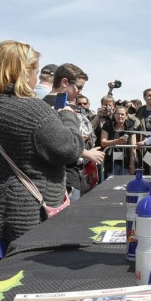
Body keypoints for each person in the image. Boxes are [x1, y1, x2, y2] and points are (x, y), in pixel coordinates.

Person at [0, 41, 83, 269]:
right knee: (25, 281)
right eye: (36, 71)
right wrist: (66, 117)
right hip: (22, 215)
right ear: (26, 72)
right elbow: (69, 149)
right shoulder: (32, 109)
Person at [43, 63, 104, 199]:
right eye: (79, 87)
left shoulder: (42, 104)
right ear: (65, 82)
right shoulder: (61, 108)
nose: (80, 92)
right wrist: (87, 153)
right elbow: (61, 143)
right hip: (64, 178)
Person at [100, 104, 136, 177]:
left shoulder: (130, 127)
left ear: (126, 116)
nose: (120, 116)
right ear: (114, 115)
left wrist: (132, 165)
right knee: (112, 185)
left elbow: (133, 147)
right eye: (118, 114)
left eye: (122, 114)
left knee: (124, 185)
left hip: (126, 162)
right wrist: (117, 141)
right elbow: (103, 142)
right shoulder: (107, 125)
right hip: (111, 162)